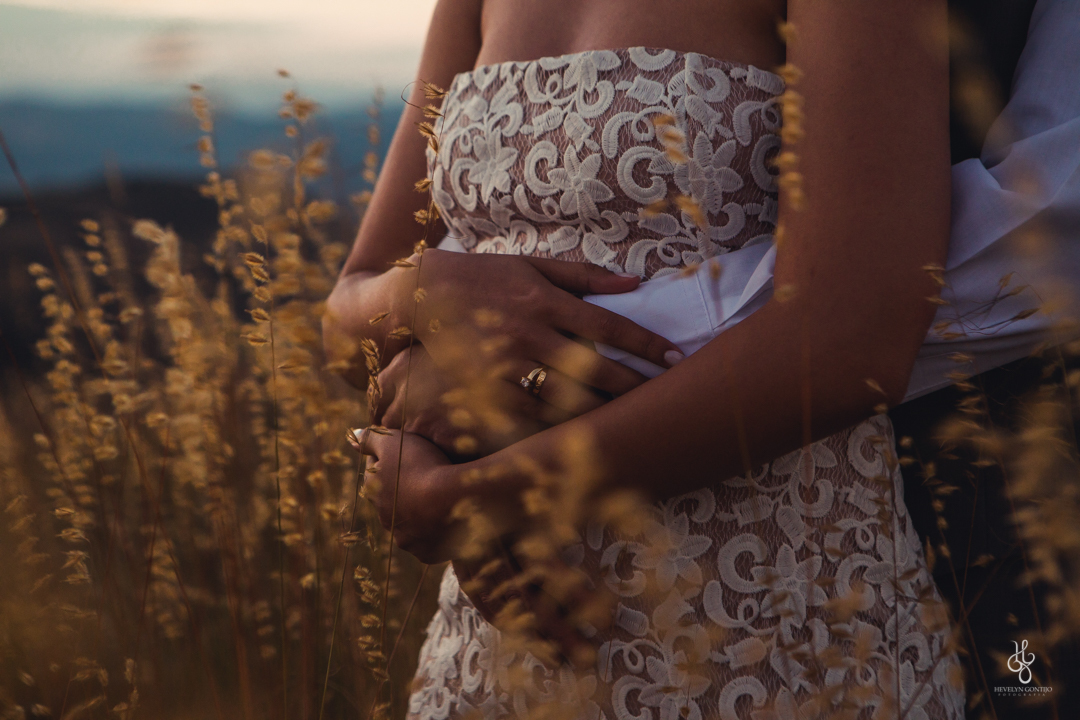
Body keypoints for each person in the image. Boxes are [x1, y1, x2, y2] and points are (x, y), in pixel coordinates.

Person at [324, 0, 967, 717]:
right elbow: (348, 311)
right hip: (496, 648)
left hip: (767, 619)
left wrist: (481, 494)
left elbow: (857, 334)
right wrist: (423, 292)